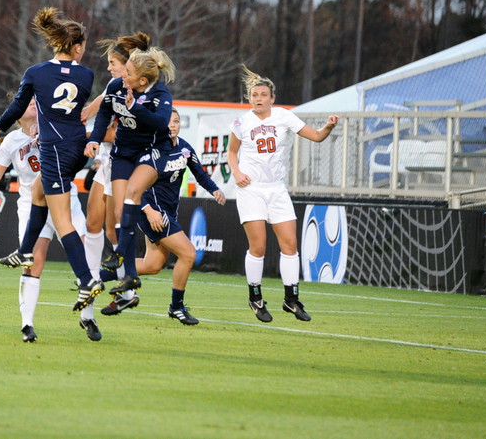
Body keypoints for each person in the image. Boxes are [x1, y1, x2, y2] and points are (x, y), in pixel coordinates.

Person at [0, 7, 102, 314]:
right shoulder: (86, 75)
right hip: (76, 148)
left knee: (61, 221)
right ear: (76, 48)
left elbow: (17, 108)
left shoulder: (36, 73)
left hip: (55, 151)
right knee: (38, 192)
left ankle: (87, 280)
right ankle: (25, 251)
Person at [227, 65, 339, 323]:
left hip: (276, 189)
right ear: (249, 98)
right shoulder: (241, 122)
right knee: (259, 246)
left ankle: (291, 300)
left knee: (290, 245)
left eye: (263, 94)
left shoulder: (283, 116)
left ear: (272, 98)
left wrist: (329, 127)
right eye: (254, 95)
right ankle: (255, 298)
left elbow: (317, 136)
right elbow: (232, 152)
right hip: (251, 189)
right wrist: (236, 172)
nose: (258, 98)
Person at [99, 108, 226, 324]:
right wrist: (149, 211)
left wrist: (214, 189)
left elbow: (200, 173)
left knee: (152, 265)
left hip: (167, 212)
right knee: (188, 254)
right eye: (168, 122)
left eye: (176, 121)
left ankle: (95, 276)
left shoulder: (184, 149)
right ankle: (176, 307)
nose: (173, 125)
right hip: (153, 211)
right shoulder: (151, 150)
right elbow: (133, 186)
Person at [0, 99, 97, 341]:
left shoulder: (55, 126)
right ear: (17, 114)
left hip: (64, 197)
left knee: (85, 255)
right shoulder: (12, 140)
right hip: (31, 203)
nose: (35, 104)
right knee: (32, 262)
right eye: (29, 103)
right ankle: (27, 325)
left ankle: (88, 316)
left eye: (38, 101)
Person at [85, 47, 176, 300]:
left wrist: (135, 107)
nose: (123, 75)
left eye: (129, 72)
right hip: (123, 153)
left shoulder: (159, 93)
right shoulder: (116, 86)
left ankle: (121, 258)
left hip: (151, 152)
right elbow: (104, 113)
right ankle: (130, 274)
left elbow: (160, 123)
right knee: (118, 212)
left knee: (133, 193)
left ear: (142, 81)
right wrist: (94, 139)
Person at [81, 32, 151, 274]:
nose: (108, 67)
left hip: (122, 161)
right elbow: (96, 112)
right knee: (92, 222)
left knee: (114, 228)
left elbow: (115, 133)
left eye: (113, 63)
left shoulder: (139, 93)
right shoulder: (112, 88)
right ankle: (89, 279)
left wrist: (91, 137)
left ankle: (127, 283)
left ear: (127, 67)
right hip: (107, 160)